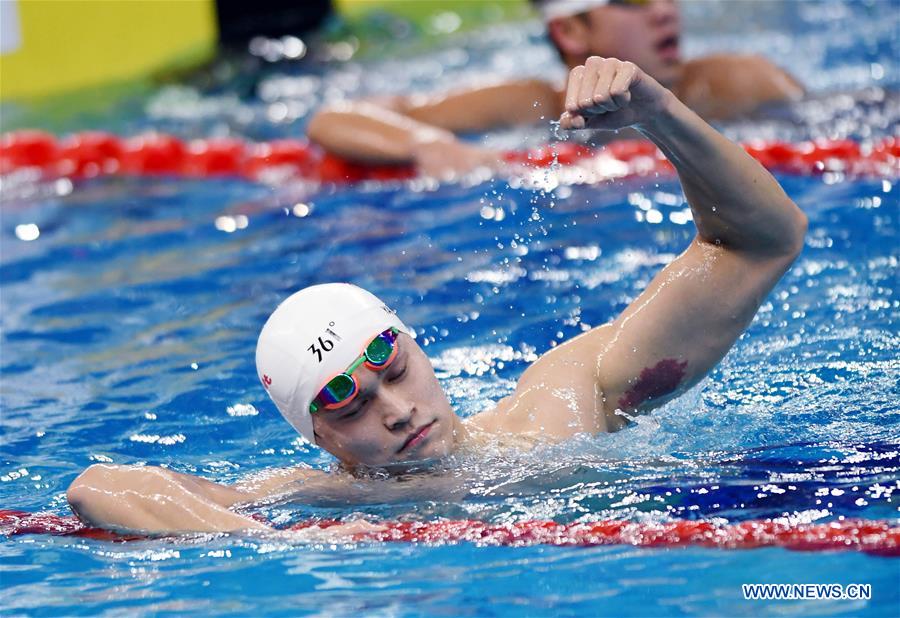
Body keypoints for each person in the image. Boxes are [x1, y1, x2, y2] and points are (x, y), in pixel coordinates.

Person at [66, 55, 808, 535]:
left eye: (393, 372)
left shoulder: (566, 404)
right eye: (349, 405)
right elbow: (98, 486)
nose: (395, 412)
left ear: (415, 345)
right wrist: (269, 544)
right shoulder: (319, 497)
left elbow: (756, 243)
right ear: (320, 440)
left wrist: (659, 115)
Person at [306, 0, 804, 178]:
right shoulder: (532, 102)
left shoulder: (735, 85)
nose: (665, 10)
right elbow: (335, 117)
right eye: (633, 0)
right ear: (569, 31)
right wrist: (426, 143)